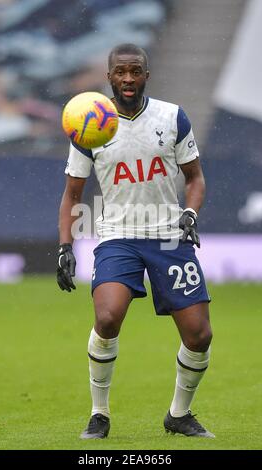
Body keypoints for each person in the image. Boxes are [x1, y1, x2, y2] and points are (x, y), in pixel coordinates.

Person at [57, 43, 214, 439]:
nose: (128, 78)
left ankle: (179, 414)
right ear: (109, 77)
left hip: (167, 237)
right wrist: (65, 246)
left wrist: (190, 214)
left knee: (199, 334)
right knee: (107, 317)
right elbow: (72, 196)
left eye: (136, 71)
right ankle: (99, 414)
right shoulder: (88, 125)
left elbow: (194, 178)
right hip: (118, 237)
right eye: (121, 72)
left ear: (147, 74)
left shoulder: (172, 116)